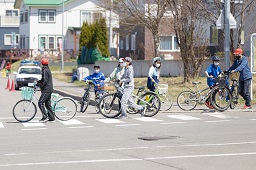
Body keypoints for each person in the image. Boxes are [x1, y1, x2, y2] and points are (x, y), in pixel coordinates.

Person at [37, 58, 55, 122]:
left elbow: (44, 80)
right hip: (49, 89)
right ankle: (51, 117)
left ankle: (45, 116)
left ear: (42, 64)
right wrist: (38, 82)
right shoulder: (47, 69)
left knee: (40, 102)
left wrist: (40, 86)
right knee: (47, 104)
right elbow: (43, 79)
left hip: (46, 89)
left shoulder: (44, 70)